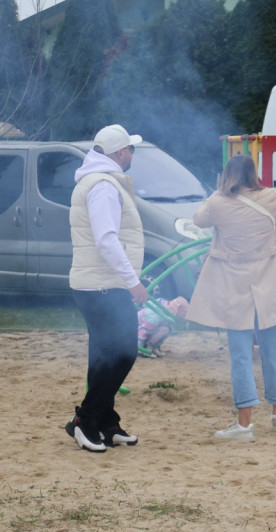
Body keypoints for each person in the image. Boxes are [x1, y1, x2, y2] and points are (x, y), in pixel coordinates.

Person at [186, 155, 276, 442]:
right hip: (267, 282)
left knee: (241, 356)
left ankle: (244, 425)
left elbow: (198, 218)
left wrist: (217, 192)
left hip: (233, 284)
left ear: (226, 175)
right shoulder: (270, 197)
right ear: (253, 173)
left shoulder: (218, 202)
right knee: (272, 350)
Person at [64, 124, 148, 453]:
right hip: (103, 285)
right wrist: (133, 282)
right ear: (120, 153)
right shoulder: (103, 185)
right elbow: (107, 239)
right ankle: (85, 420)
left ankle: (105, 421)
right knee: (123, 352)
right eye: (130, 149)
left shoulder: (97, 180)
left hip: (99, 283)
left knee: (107, 356)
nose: (131, 154)